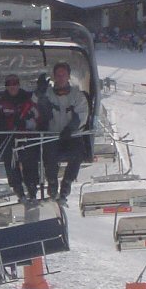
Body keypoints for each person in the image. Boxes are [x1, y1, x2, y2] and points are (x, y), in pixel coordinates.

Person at [34, 62, 90, 203]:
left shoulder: (77, 95)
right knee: (49, 154)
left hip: (71, 135)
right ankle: (52, 184)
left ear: (68, 76)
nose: (60, 78)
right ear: (54, 77)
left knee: (78, 153)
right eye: (58, 75)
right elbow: (35, 107)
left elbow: (82, 114)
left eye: (63, 75)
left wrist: (71, 129)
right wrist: (39, 92)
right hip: (52, 135)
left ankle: (67, 184)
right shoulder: (47, 94)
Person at [0, 74, 42, 201]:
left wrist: (26, 123)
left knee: (28, 155)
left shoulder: (27, 99)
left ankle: (32, 188)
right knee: (10, 158)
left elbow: (36, 118)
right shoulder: (1, 100)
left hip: (25, 136)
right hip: (8, 137)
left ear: (19, 84)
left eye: (15, 83)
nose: (12, 87)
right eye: (9, 84)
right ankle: (18, 188)